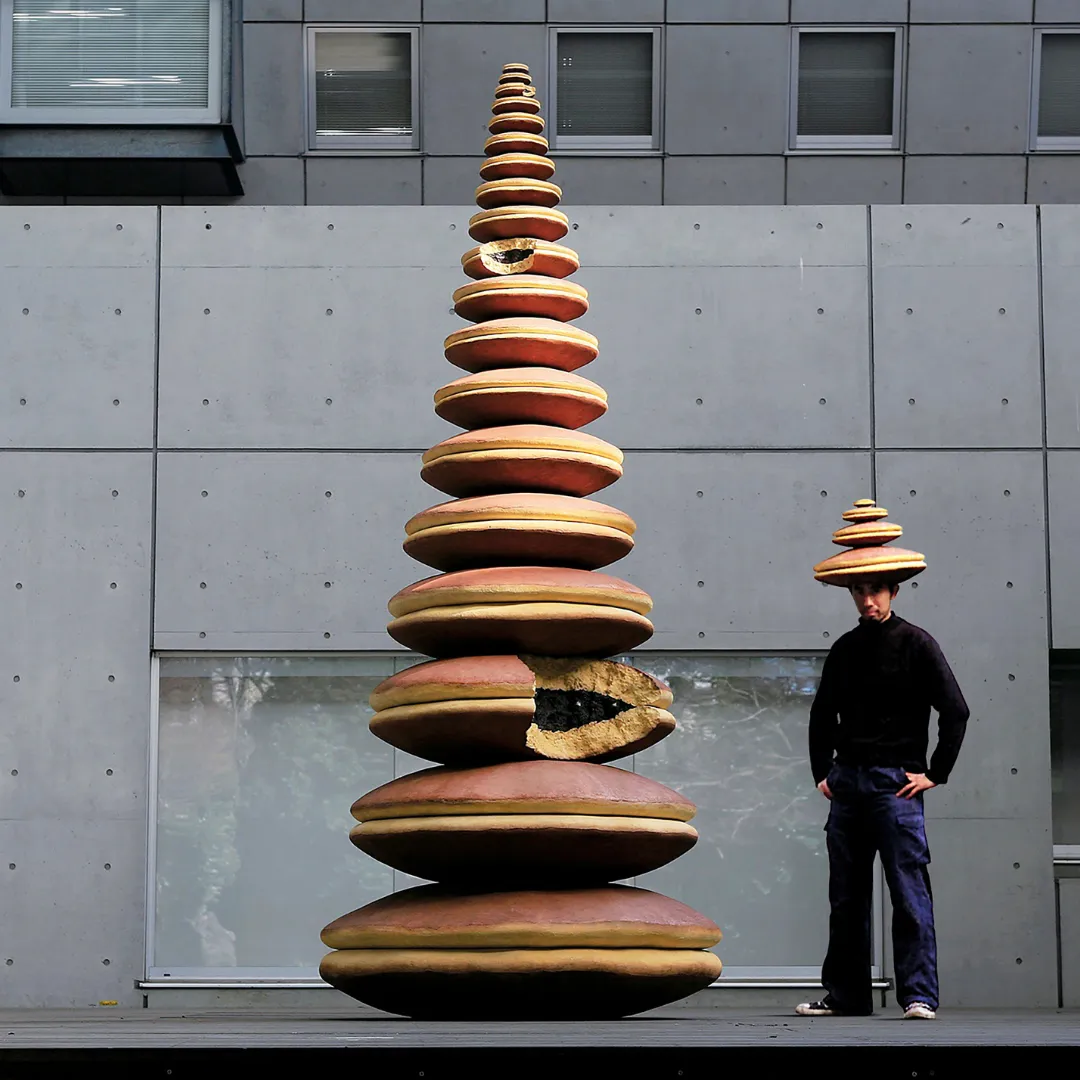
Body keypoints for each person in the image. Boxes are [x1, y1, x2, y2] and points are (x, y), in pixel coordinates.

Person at [795, 577, 969, 1021]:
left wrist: (935, 773)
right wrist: (822, 771)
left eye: (876, 591)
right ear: (851, 595)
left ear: (894, 591)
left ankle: (919, 997)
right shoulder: (845, 647)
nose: (868, 601)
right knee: (846, 898)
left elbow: (955, 709)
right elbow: (821, 712)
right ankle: (847, 997)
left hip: (896, 783)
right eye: (859, 592)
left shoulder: (916, 643)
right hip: (848, 784)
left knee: (909, 892)